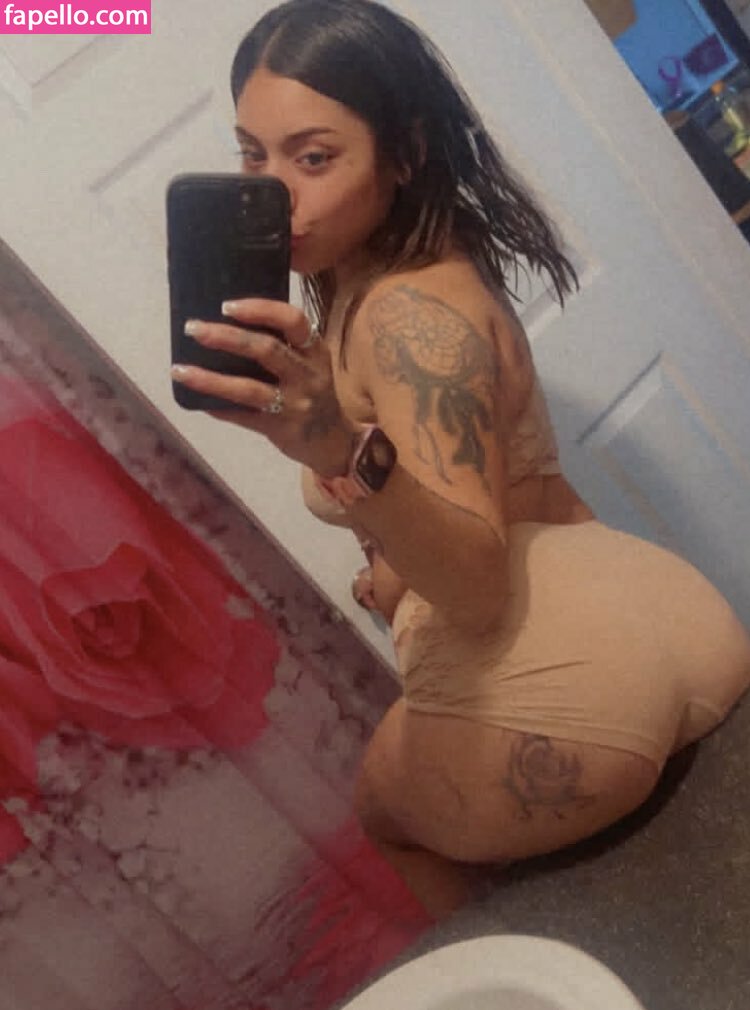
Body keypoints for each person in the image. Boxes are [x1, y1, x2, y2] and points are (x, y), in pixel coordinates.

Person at [170, 0, 750, 918]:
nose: (278, 194)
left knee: (386, 818)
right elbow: (485, 491)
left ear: (403, 152)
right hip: (671, 613)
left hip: (562, 698)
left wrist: (336, 446)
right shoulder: (415, 269)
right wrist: (390, 571)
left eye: (313, 158)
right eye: (253, 155)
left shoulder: (402, 316)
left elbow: (476, 584)